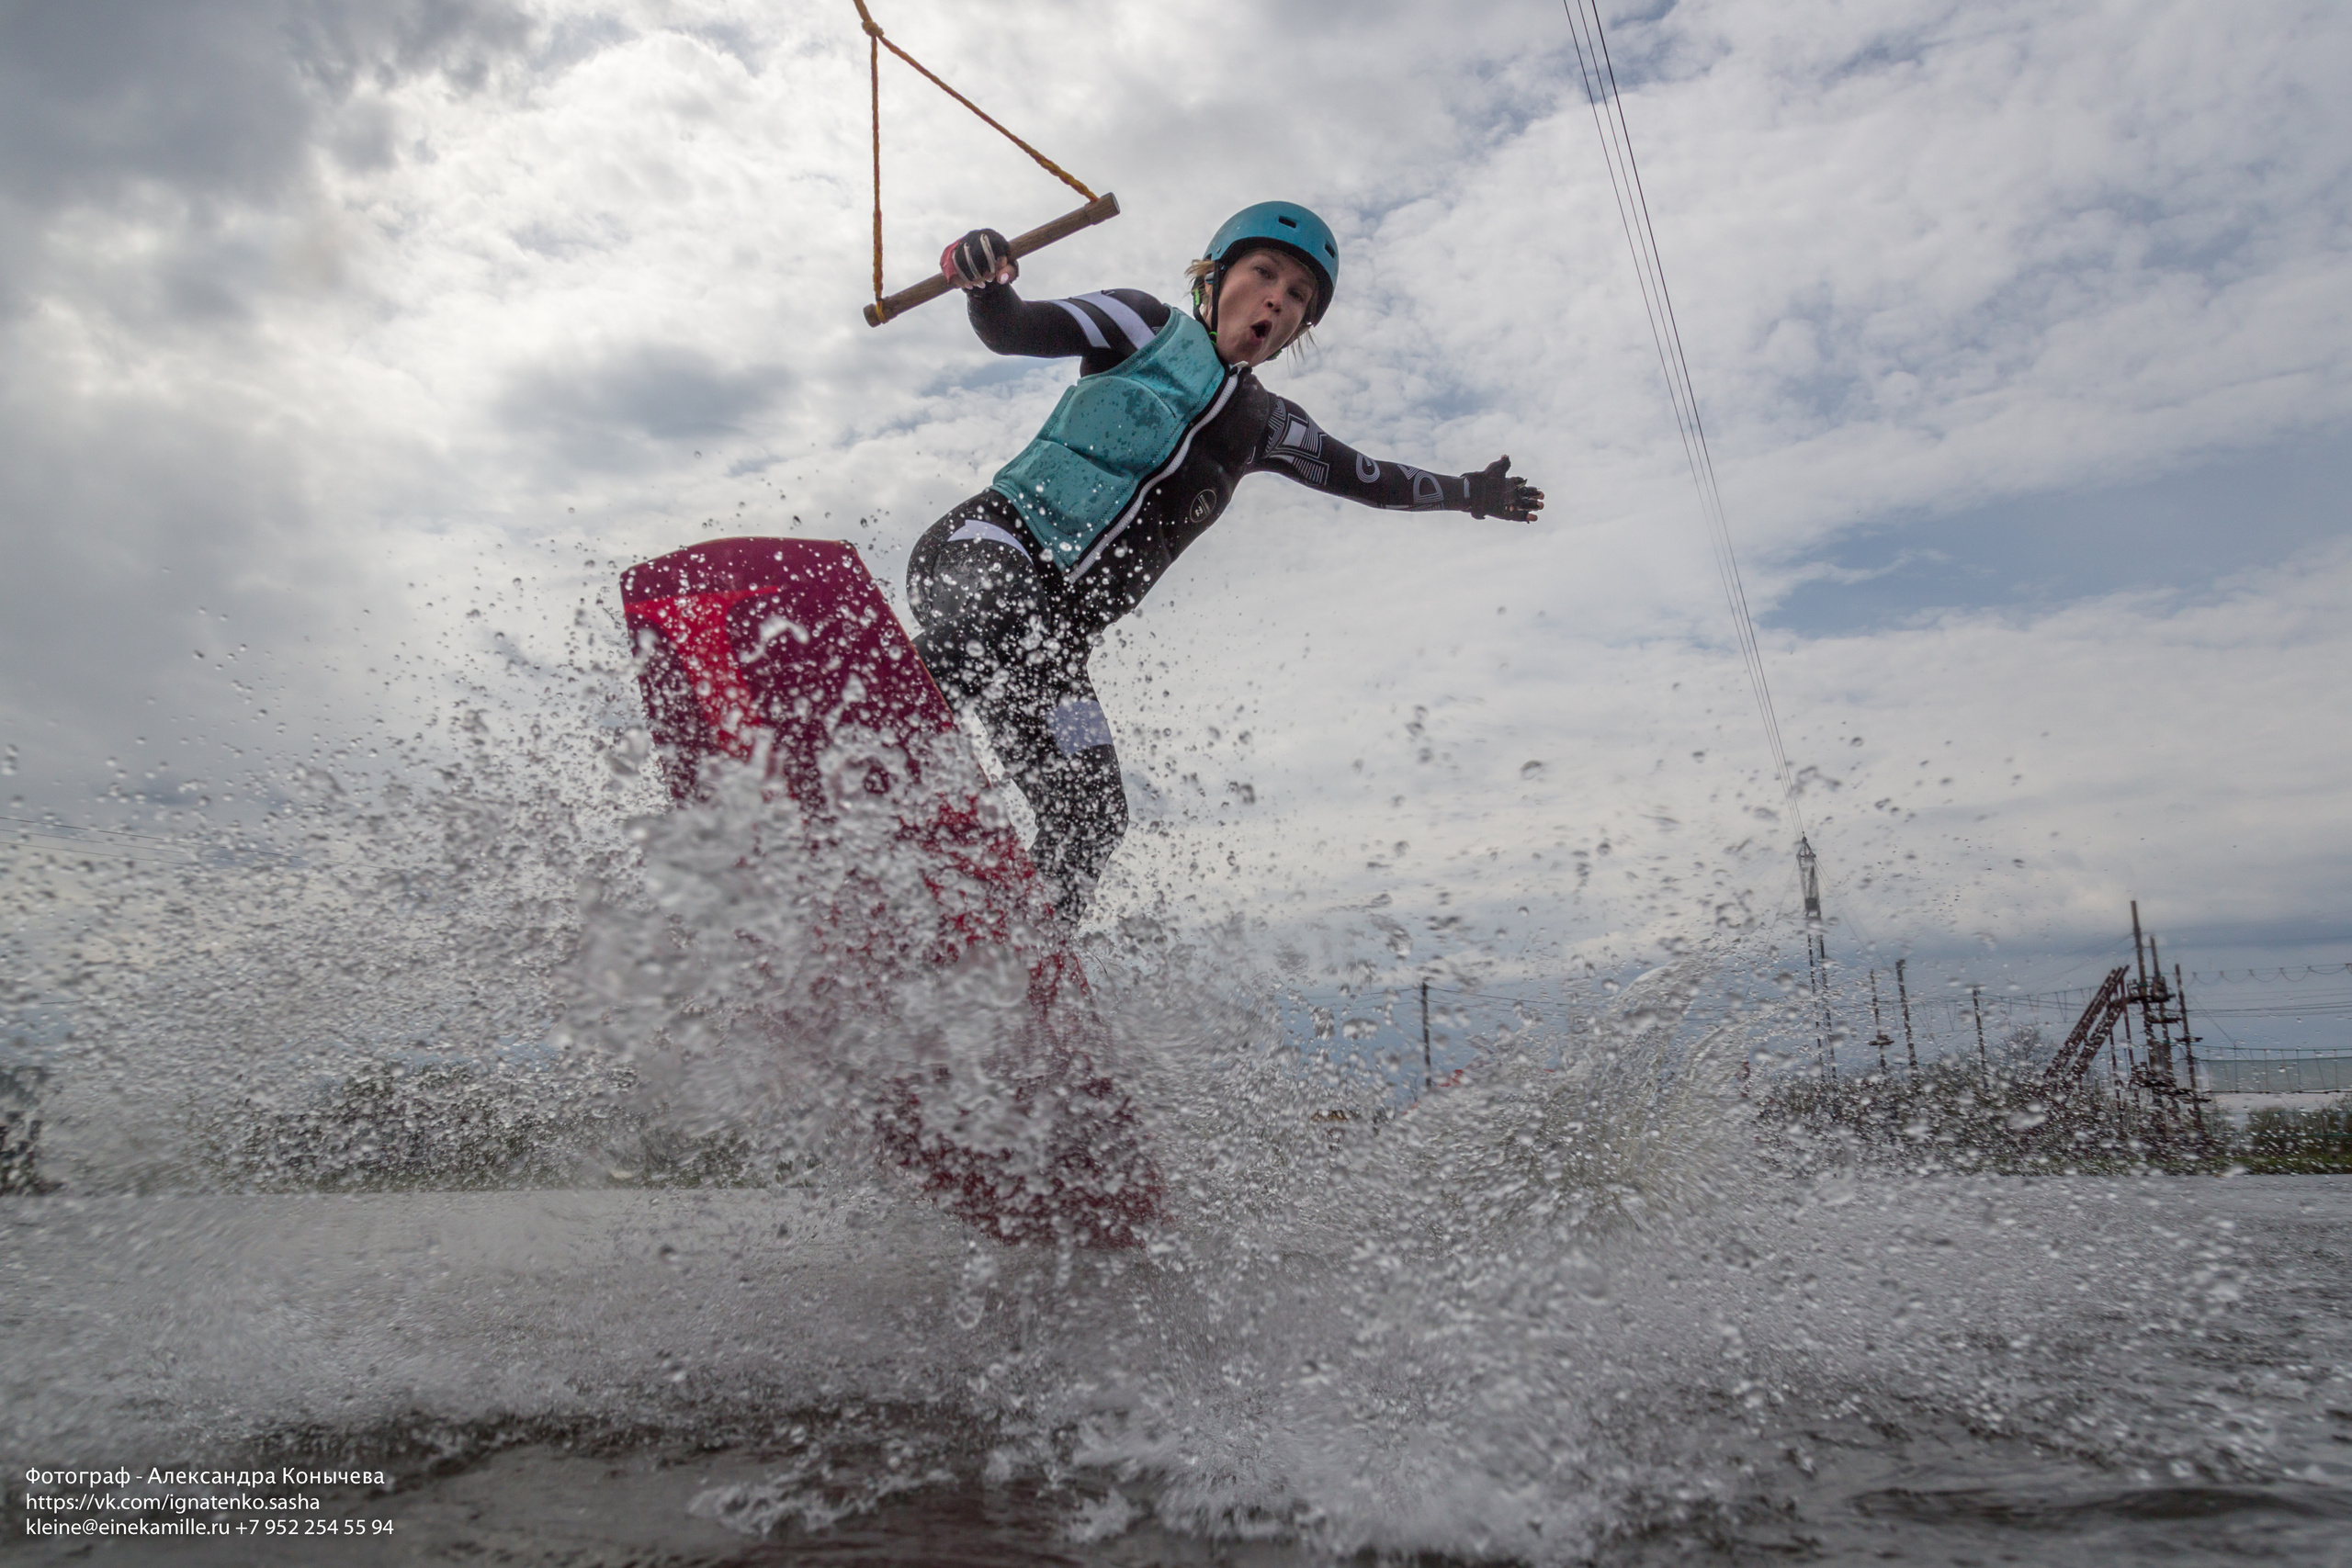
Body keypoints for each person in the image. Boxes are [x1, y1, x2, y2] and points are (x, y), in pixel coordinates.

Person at [906, 201, 1544, 919]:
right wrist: (985, 282)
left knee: (1094, 812)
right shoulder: (1140, 324)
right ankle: (850, 728)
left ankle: (1018, 962)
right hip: (985, 548)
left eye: (1299, 295)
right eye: (1264, 272)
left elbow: (1377, 479)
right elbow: (1014, 329)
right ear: (1212, 279)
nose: (1279, 296)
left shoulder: (1270, 428)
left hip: (1054, 651)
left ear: (1299, 327)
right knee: (1005, 619)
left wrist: (1469, 493)